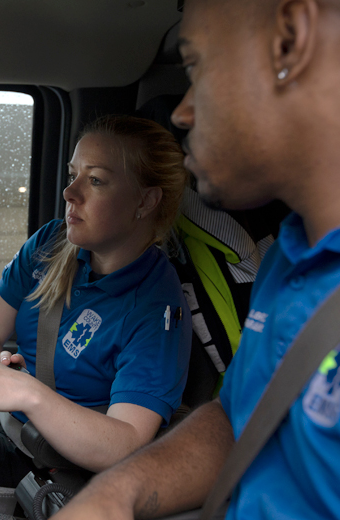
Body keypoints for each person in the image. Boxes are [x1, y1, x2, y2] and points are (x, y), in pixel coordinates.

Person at [52, 0, 340, 519]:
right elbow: (237, 418)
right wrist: (115, 494)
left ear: (290, 41)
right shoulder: (288, 254)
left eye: (196, 66)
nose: (182, 113)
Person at [0, 114, 192, 484]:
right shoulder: (50, 243)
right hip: (0, 423)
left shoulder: (155, 306)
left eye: (95, 180)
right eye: (73, 174)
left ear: (145, 200)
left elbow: (124, 444)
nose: (70, 192)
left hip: (49, 465)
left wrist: (25, 392)